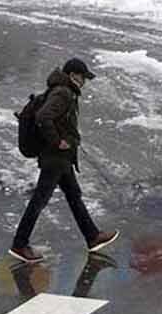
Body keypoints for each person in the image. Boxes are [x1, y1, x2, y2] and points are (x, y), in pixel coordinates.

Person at [8, 57, 116, 262]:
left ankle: (92, 236)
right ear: (73, 75)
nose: (84, 82)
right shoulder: (63, 93)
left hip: (61, 158)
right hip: (55, 157)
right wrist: (57, 141)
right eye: (83, 77)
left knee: (74, 195)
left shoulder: (62, 91)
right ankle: (19, 244)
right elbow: (43, 117)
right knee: (40, 199)